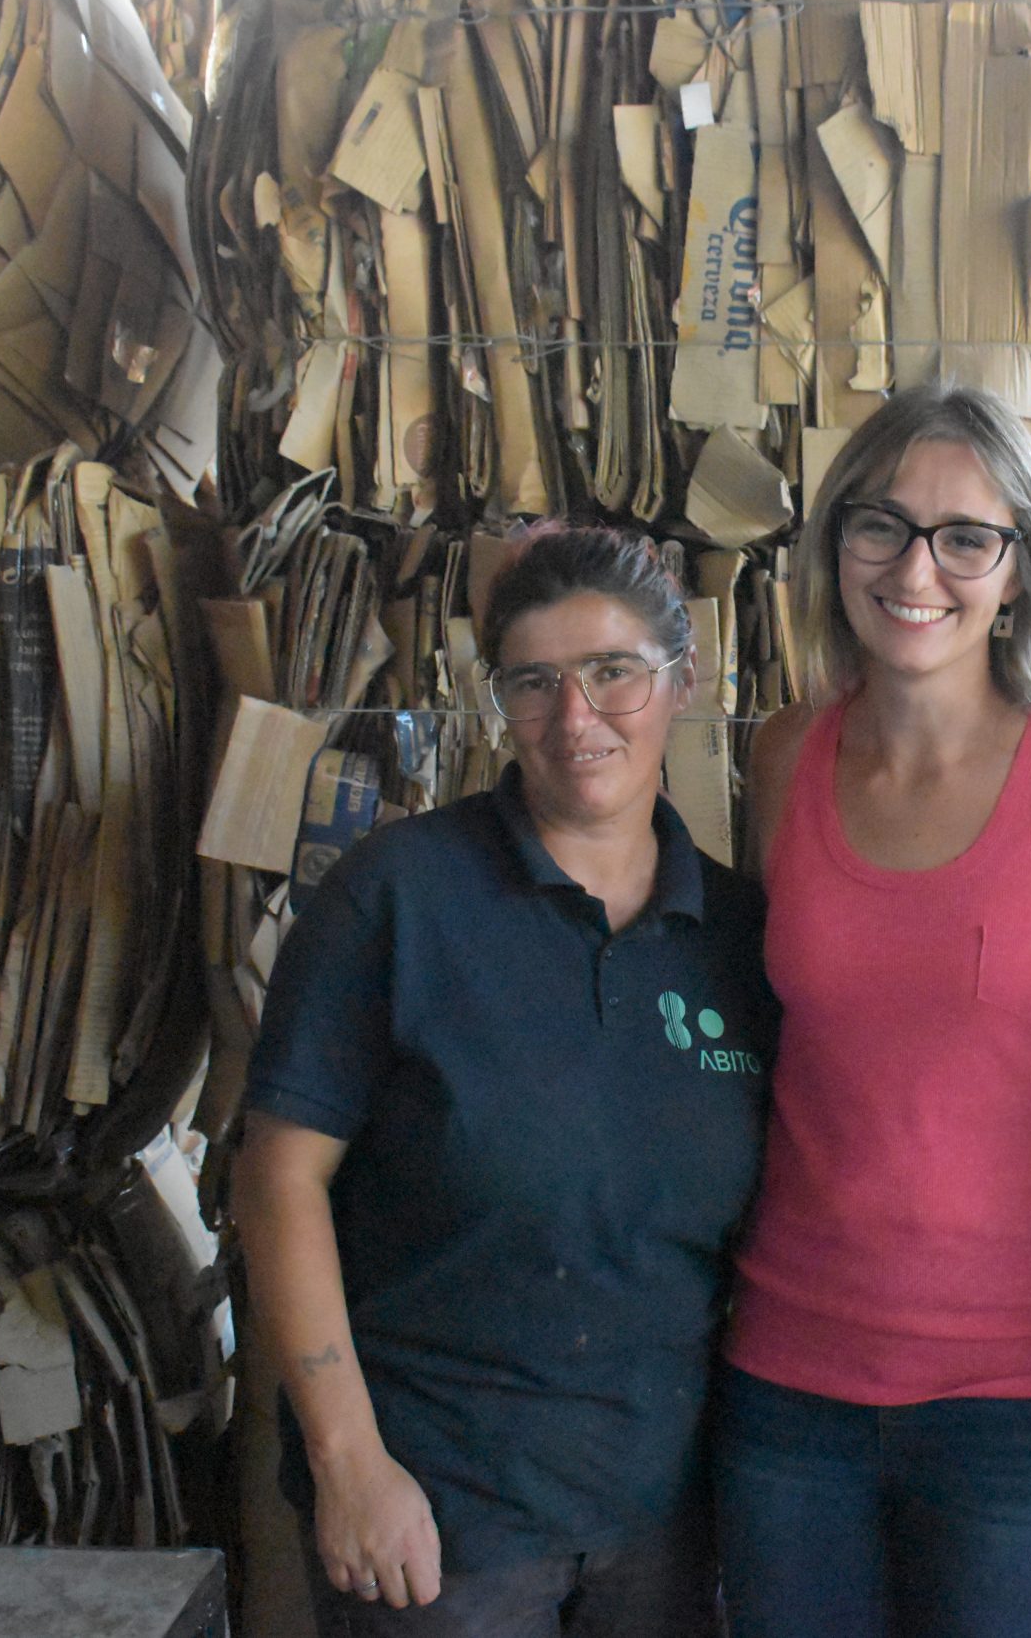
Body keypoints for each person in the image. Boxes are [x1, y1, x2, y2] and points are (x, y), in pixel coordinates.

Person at [234, 527, 775, 1636]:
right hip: (439, 1521)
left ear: (682, 680)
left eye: (614, 673)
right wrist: (349, 1467)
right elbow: (276, 1181)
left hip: (663, 1520)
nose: (576, 721)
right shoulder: (401, 896)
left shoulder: (738, 935)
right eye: (535, 683)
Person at [713, 383, 1031, 1638]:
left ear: (1022, 569)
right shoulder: (779, 756)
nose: (919, 568)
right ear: (835, 547)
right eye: (882, 525)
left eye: (967, 536)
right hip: (789, 1380)